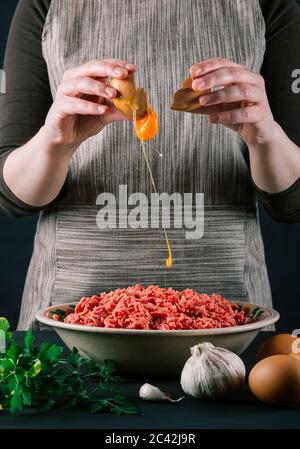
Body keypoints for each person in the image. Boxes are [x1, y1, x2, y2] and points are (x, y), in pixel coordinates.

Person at [0, 0, 300, 330]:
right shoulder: (45, 5)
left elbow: (291, 203)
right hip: (70, 321)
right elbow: (13, 197)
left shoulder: (267, 4)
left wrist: (265, 136)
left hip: (230, 322)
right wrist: (56, 142)